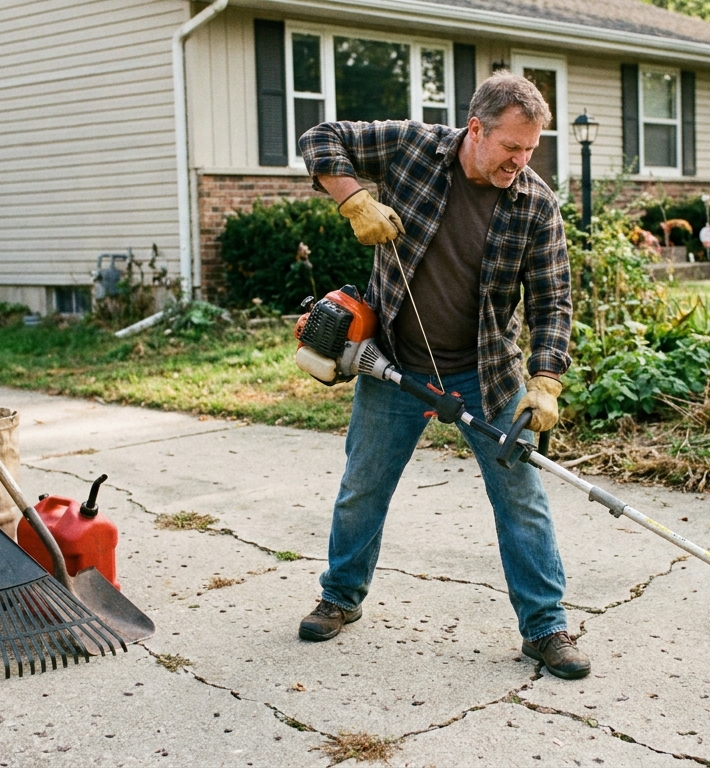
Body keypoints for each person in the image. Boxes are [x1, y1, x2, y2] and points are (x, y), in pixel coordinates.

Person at [294, 73, 586, 679]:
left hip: (488, 373)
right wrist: (352, 197)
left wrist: (547, 379)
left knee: (522, 498)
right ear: (475, 129)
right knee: (363, 485)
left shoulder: (535, 202)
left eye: (532, 149)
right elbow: (320, 136)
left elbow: (553, 301)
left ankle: (546, 627)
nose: (522, 162)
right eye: (512, 147)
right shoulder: (412, 147)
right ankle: (341, 596)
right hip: (393, 361)